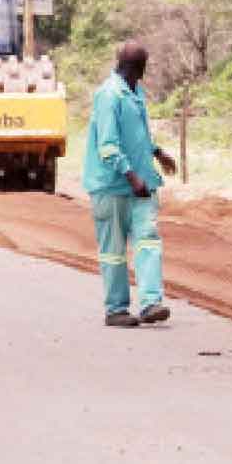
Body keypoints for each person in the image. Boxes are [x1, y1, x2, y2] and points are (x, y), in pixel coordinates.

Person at [82, 40, 179, 327]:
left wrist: (157, 153)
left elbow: (137, 135)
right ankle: (116, 309)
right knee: (114, 252)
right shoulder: (109, 95)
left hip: (141, 184)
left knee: (148, 240)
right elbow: (108, 146)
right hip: (112, 187)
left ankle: (150, 303)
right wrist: (132, 176)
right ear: (139, 68)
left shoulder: (135, 93)